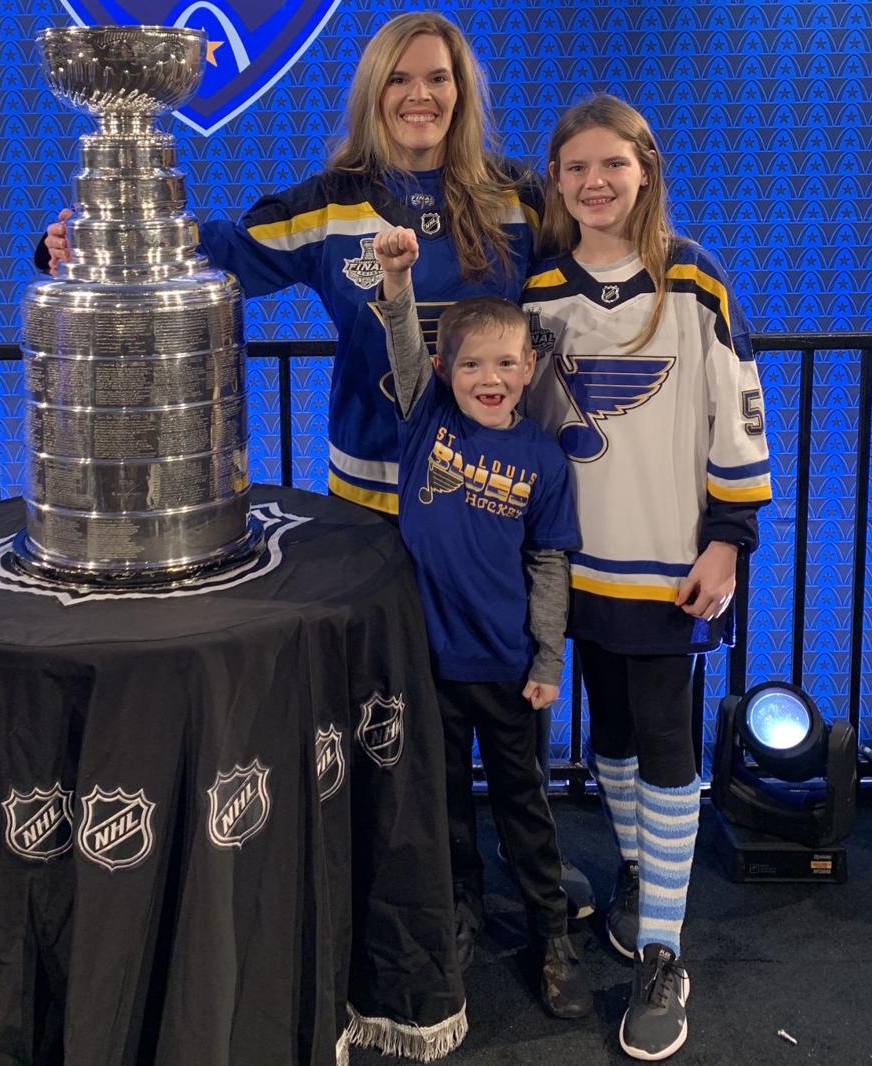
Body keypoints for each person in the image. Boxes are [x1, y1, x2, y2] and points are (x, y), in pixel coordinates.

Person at [35, 11, 597, 918]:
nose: (421, 95)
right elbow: (219, 250)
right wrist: (84, 240)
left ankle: (523, 876)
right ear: (374, 92)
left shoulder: (516, 196)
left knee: (501, 699)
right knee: (393, 704)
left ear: (464, 91)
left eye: (439, 79)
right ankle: (408, 883)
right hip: (373, 499)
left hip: (494, 506)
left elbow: (598, 272)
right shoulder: (332, 199)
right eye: (400, 79)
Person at [376, 95, 773, 1061]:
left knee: (668, 742)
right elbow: (493, 389)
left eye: (612, 166)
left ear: (647, 166)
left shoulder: (695, 279)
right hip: (570, 562)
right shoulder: (541, 286)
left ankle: (663, 956)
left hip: (669, 562)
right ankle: (642, 879)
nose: (593, 184)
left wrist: (729, 535)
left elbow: (740, 409)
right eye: (573, 169)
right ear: (554, 181)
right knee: (617, 744)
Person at [372, 225, 591, 1020]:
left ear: (529, 369)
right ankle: (457, 914)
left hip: (505, 668)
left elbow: (550, 566)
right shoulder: (425, 421)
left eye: (505, 362)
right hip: (431, 665)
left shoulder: (543, 460)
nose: (489, 377)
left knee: (524, 808)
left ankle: (551, 932)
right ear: (444, 372)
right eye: (471, 363)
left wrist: (548, 660)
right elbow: (401, 345)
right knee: (443, 808)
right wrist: (397, 285)